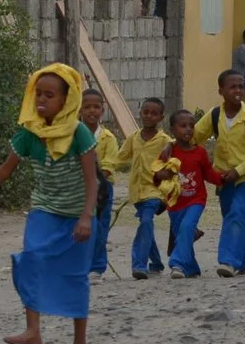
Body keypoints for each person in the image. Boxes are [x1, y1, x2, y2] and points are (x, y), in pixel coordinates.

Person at [0, 65, 101, 344]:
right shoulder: (29, 132)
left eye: (50, 95)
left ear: (66, 100)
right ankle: (32, 331)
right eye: (38, 94)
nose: (42, 100)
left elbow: (92, 180)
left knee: (75, 275)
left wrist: (86, 217)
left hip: (78, 214)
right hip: (44, 209)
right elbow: (5, 170)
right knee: (31, 258)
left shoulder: (78, 133)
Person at [196, 70, 245, 277]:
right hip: (223, 177)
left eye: (241, 86)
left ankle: (229, 261)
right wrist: (172, 146)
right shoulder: (214, 115)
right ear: (221, 91)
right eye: (232, 87)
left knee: (237, 211)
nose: (238, 91)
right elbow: (194, 136)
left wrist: (239, 171)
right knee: (231, 215)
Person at [108, 97, 173, 278]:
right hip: (137, 192)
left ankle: (139, 265)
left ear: (161, 117)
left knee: (145, 221)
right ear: (140, 113)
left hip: (156, 192)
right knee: (147, 224)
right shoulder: (133, 138)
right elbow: (119, 158)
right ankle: (157, 263)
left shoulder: (166, 141)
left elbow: (174, 165)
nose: (149, 116)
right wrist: (102, 169)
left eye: (154, 113)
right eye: (146, 112)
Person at [152, 110, 211, 278]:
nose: (188, 129)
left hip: (196, 199)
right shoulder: (168, 152)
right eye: (183, 126)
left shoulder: (200, 152)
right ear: (172, 129)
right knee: (182, 234)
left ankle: (177, 263)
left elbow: (209, 174)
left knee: (187, 227)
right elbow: (156, 175)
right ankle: (191, 268)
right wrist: (160, 175)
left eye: (191, 126)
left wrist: (223, 179)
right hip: (175, 202)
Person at [78, 89, 117, 277]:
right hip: (78, 187)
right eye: (87, 107)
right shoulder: (73, 135)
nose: (92, 111)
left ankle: (97, 266)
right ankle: (81, 264)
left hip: (103, 188)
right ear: (79, 109)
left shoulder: (108, 138)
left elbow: (109, 164)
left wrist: (95, 175)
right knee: (82, 226)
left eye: (96, 107)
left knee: (100, 227)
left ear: (103, 110)